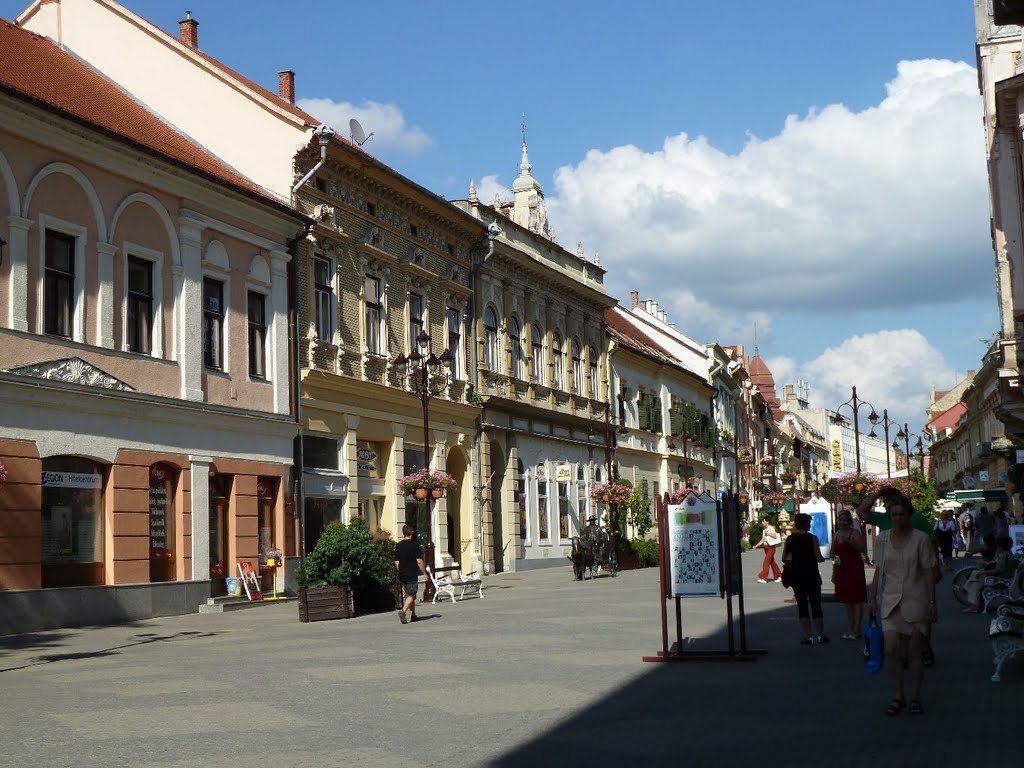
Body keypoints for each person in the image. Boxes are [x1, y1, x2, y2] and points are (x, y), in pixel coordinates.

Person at [869, 490, 937, 716]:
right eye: (894, 514)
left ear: (908, 515)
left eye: (901, 514)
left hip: (916, 598)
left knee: (914, 651)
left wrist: (931, 601)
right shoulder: (884, 538)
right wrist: (872, 598)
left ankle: (915, 697)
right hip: (889, 600)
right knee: (891, 649)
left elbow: (928, 571)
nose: (897, 518)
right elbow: (879, 570)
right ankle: (897, 694)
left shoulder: (921, 539)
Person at [856, 486, 940, 666]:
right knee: (896, 618)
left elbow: (932, 541)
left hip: (917, 574)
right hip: (893, 579)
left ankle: (924, 647)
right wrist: (878, 492)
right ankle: (904, 653)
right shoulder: (885, 518)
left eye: (885, 501)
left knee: (921, 615)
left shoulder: (915, 518)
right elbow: (861, 511)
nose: (886, 506)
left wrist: (935, 566)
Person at [782, 513, 828, 644]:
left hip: (797, 576)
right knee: (816, 605)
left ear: (796, 524)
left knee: (802, 605)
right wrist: (824, 558)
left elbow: (784, 557)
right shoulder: (812, 538)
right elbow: (818, 557)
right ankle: (820, 635)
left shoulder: (790, 539)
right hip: (811, 575)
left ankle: (808, 636)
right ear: (807, 524)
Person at [829, 509, 867, 640]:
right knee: (847, 600)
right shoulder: (836, 534)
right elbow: (833, 554)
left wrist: (850, 542)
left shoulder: (854, 533)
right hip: (841, 569)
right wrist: (834, 571)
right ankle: (851, 628)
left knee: (856, 599)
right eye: (840, 520)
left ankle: (856, 630)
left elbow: (861, 548)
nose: (842, 522)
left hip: (854, 568)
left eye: (845, 520)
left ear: (849, 521)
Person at [955, 536, 1017, 612]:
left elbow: (998, 570)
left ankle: (972, 604)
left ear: (1000, 547)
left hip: (1000, 581)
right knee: (976, 579)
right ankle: (973, 603)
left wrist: (984, 572)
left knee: (976, 581)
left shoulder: (1006, 557)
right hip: (1001, 578)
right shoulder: (1006, 555)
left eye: (998, 546)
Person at [393, 524, 426, 625]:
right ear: (411, 533)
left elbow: (396, 561)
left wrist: (399, 570)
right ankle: (403, 611)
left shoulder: (398, 545)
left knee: (408, 594)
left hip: (402, 573)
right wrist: (424, 573)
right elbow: (419, 561)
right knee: (412, 594)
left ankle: (413, 615)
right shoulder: (414, 545)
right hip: (411, 572)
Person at [752, 516, 783, 584]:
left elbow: (774, 536)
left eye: (763, 521)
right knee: (772, 563)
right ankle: (779, 576)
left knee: (766, 562)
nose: (762, 522)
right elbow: (763, 540)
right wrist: (756, 546)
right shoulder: (764, 530)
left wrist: (768, 533)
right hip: (766, 548)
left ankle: (763, 578)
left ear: (767, 521)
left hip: (771, 547)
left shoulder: (771, 528)